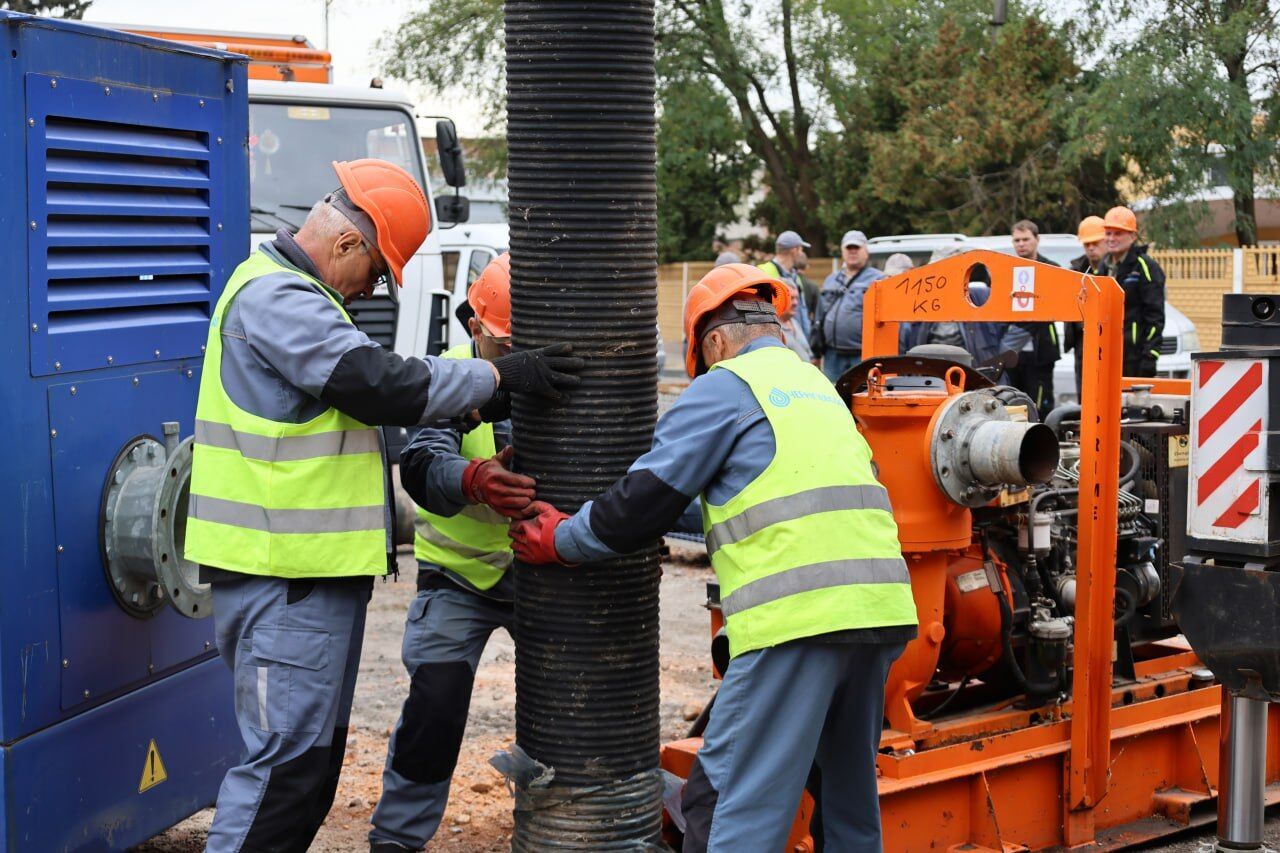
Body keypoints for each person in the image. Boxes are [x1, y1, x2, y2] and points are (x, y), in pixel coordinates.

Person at [184, 160, 583, 853]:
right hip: (286, 577)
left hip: (305, 577)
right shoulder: (277, 295)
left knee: (306, 775)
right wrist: (496, 379)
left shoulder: (294, 295)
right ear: (346, 243)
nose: (372, 288)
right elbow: (375, 383)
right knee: (284, 773)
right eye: (375, 270)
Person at [507, 263, 918, 852]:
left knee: (730, 808)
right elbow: (758, 497)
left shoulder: (727, 385)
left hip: (797, 622)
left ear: (715, 342)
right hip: (880, 614)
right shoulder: (820, 391)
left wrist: (562, 540)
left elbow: (644, 499)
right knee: (848, 805)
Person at [368, 254, 528, 853]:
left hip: (545, 576)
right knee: (435, 705)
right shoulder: (454, 377)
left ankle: (561, 823)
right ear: (475, 327)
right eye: (505, 345)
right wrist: (474, 480)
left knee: (568, 706)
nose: (513, 360)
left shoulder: (557, 377)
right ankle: (396, 839)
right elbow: (421, 463)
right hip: (459, 579)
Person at [901, 245, 1031, 383]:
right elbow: (906, 343)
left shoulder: (982, 296)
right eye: (936, 271)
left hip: (981, 382)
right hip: (935, 384)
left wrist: (1001, 355)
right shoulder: (922, 304)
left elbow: (1025, 322)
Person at [1104, 205, 1166, 377]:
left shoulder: (1145, 266)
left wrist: (1150, 355)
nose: (1111, 238)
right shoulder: (1104, 266)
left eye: (1118, 233)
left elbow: (1155, 316)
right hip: (1107, 356)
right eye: (1108, 233)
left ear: (1132, 236)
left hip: (1135, 357)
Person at [1006, 220, 1059, 418]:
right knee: (1013, 401)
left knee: (1041, 401)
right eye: (1017, 240)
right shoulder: (1005, 270)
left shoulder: (1052, 269)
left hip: (1042, 348)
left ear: (1037, 240)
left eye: (1026, 239)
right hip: (1013, 350)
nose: (1021, 244)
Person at [816, 230, 884, 383]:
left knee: (861, 396)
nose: (852, 252)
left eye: (857, 248)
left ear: (866, 251)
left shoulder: (878, 279)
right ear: (842, 251)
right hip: (832, 354)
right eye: (849, 248)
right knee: (832, 398)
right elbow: (820, 314)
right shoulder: (831, 279)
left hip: (862, 355)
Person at [1063, 216, 1109, 395]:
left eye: (1096, 243)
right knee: (1085, 392)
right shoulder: (1076, 270)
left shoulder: (1113, 270)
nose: (1091, 248)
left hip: (1106, 340)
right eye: (1086, 244)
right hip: (1082, 341)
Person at [758, 230, 812, 342]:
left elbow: (802, 309)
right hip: (778, 340)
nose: (802, 253)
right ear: (794, 250)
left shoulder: (795, 276)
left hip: (797, 338)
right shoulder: (764, 273)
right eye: (801, 249)